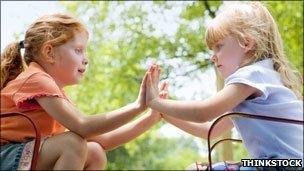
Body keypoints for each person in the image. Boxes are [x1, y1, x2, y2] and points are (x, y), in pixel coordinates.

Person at [145, 2, 303, 170]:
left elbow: (203, 112)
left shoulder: (251, 75)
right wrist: (164, 113)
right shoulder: (265, 78)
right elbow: (209, 130)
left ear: (246, 43)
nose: (213, 57)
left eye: (219, 46)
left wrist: (155, 102)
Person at [0, 13, 167, 170]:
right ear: (49, 52)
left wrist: (150, 118)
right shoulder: (35, 78)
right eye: (78, 50)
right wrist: (138, 106)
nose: (86, 59)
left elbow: (102, 140)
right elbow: (84, 126)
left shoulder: (54, 93)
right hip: (6, 155)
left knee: (95, 152)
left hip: (21, 155)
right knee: (73, 143)